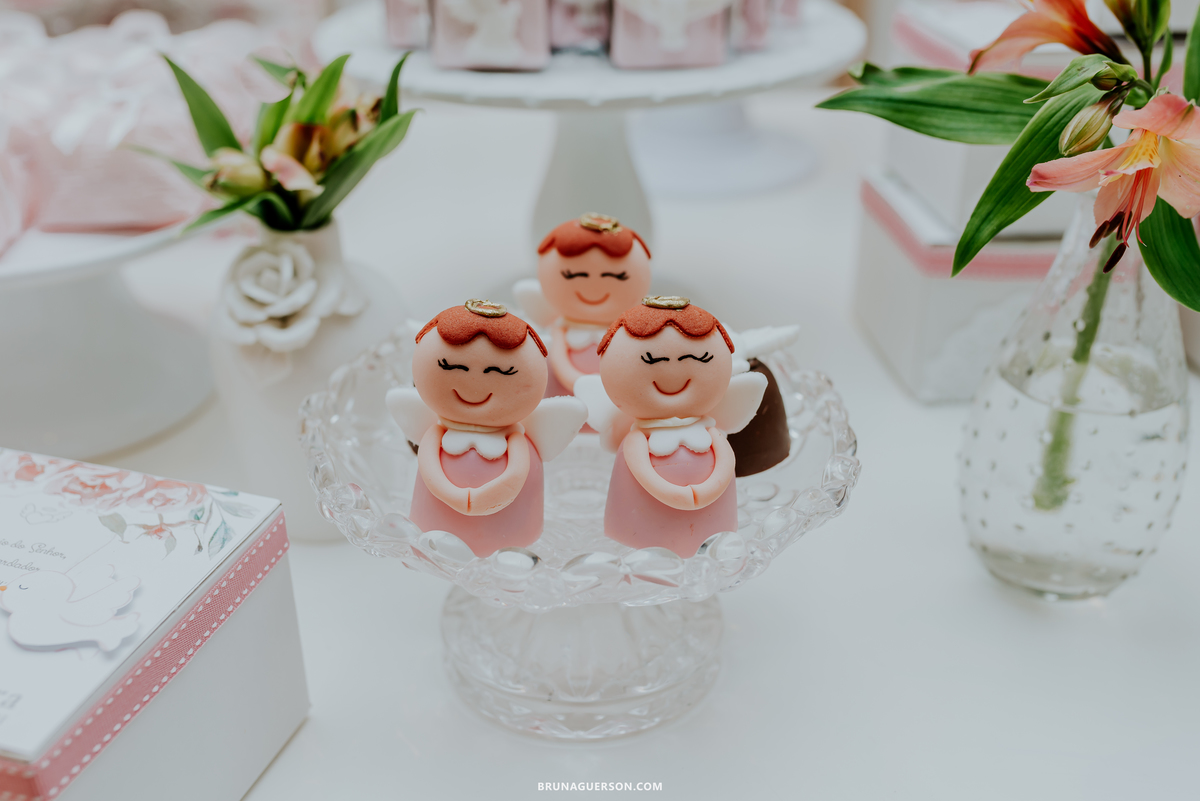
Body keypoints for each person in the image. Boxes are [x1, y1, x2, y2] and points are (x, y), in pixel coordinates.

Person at [386, 299, 587, 557]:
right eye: (453, 367)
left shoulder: (524, 445)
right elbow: (429, 465)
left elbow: (517, 472)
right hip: (434, 545)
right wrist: (460, 498)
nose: (474, 385)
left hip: (514, 552)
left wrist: (480, 498)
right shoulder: (433, 435)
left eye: (500, 371)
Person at [576, 296, 767, 557]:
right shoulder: (635, 440)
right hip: (635, 545)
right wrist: (679, 495)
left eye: (697, 357)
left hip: (714, 542)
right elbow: (641, 469)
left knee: (713, 549)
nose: (672, 373)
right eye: (652, 361)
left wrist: (702, 493)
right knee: (639, 552)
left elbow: (725, 460)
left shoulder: (711, 431)